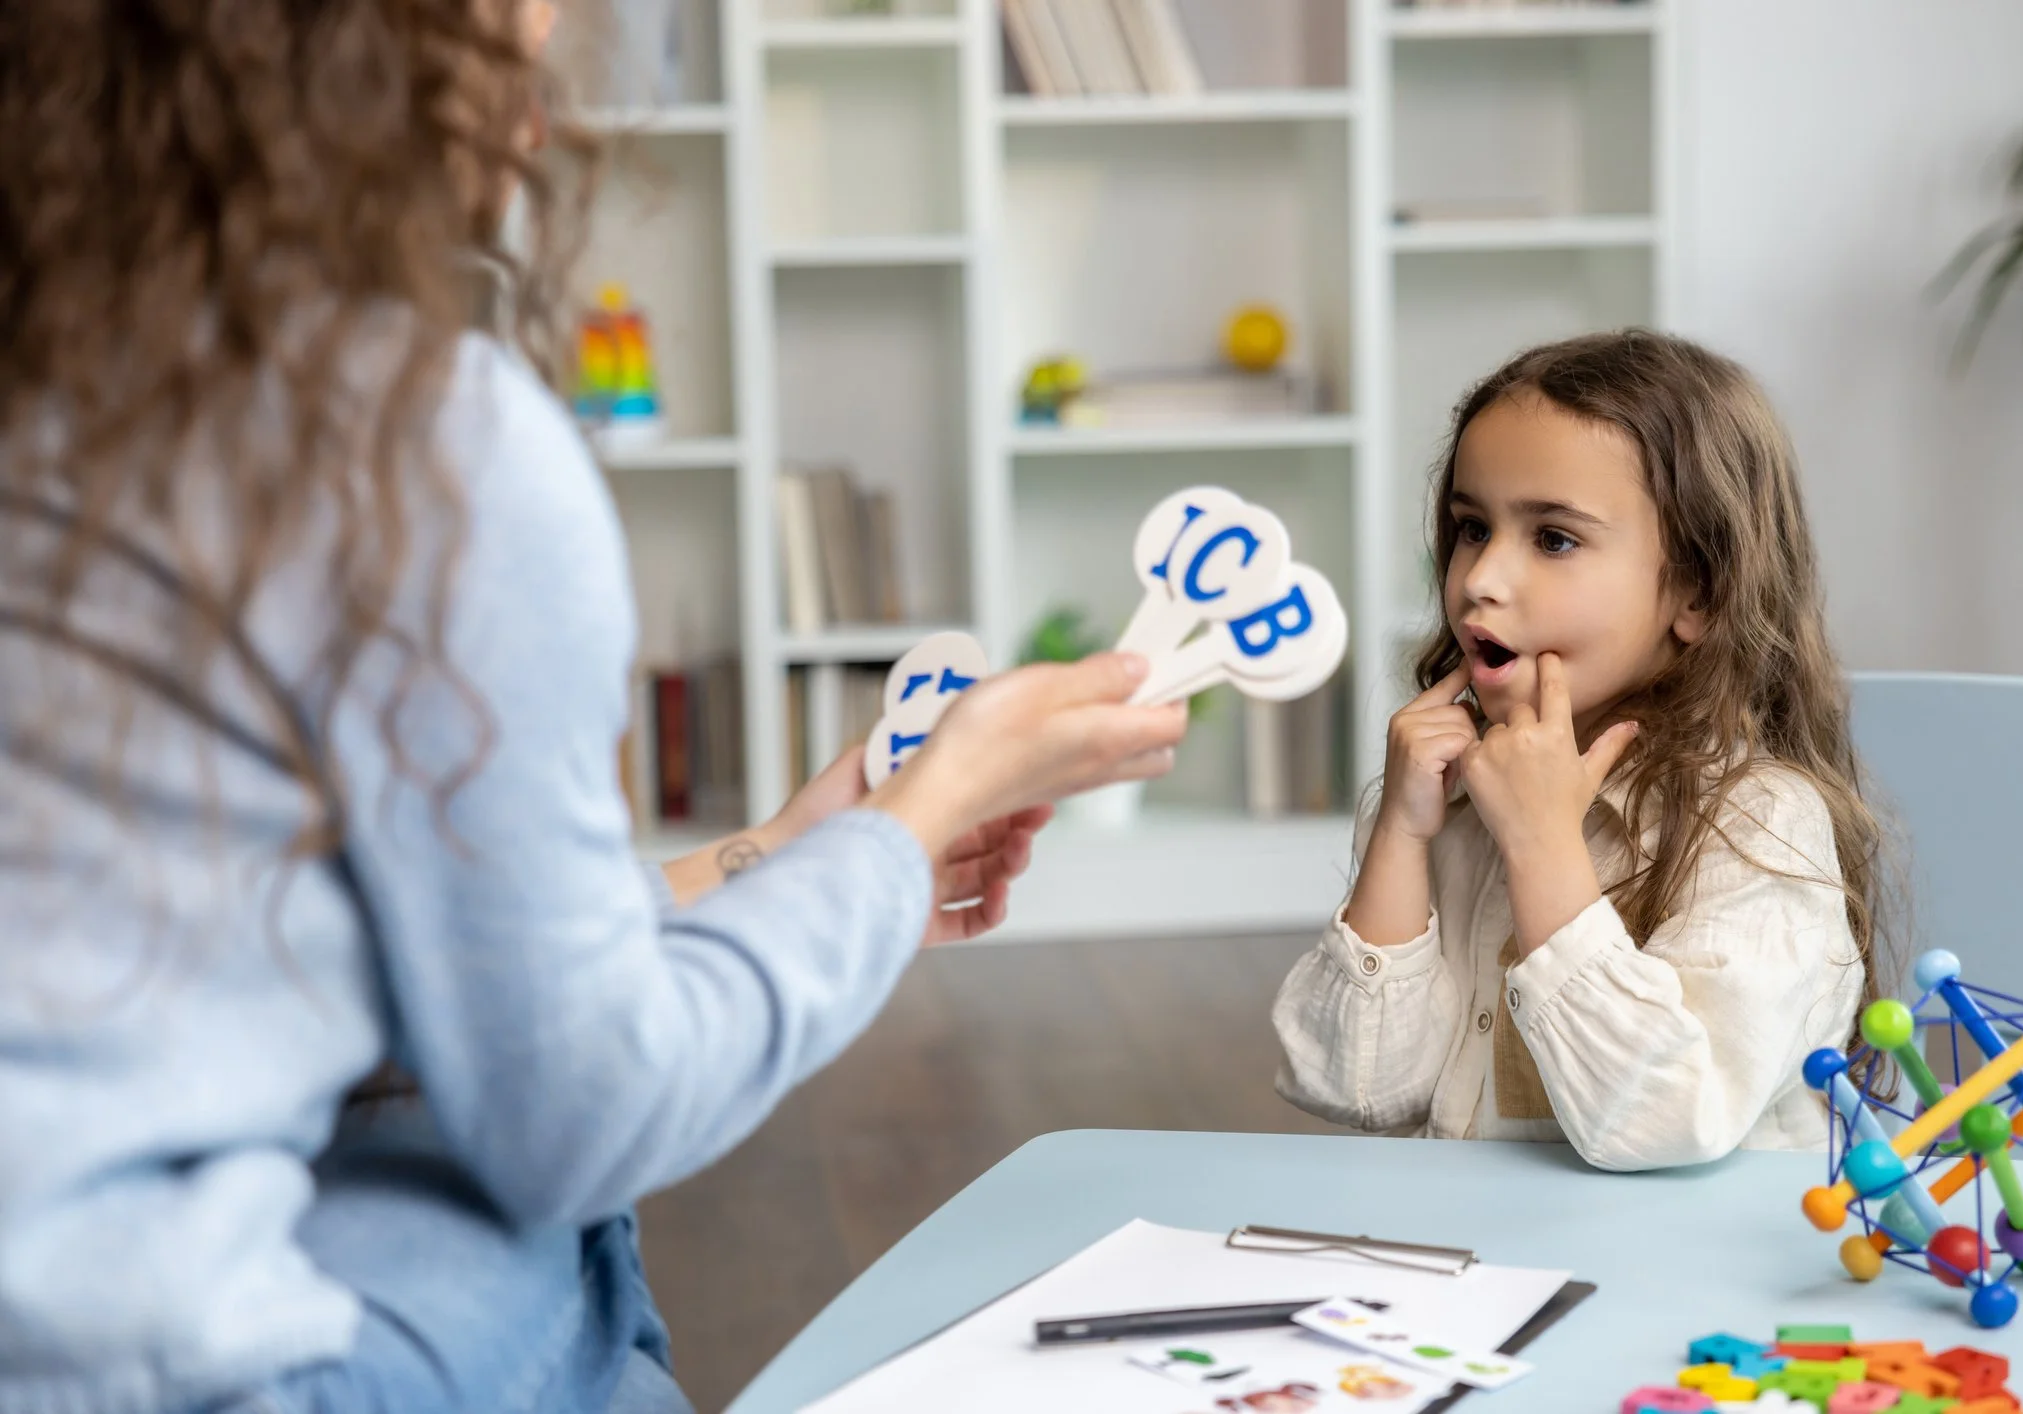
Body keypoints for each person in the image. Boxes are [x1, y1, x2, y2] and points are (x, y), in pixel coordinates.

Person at [0, 2, 1188, 1411]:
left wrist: (775, 856)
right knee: (554, 1223)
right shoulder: (416, 440)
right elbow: (573, 1111)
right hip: (135, 1369)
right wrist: (922, 813)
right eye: (513, 41)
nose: (539, 108)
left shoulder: (59, 378)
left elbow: (266, 965)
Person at [1273, 330, 1895, 1172]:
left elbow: (1665, 1121)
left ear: (1698, 592)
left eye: (1553, 539)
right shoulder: (1450, 798)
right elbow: (1355, 1090)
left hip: (1686, 1278)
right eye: (1469, 527)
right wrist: (1399, 836)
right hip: (1484, 1266)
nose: (1480, 579)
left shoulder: (1759, 825)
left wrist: (1541, 846)